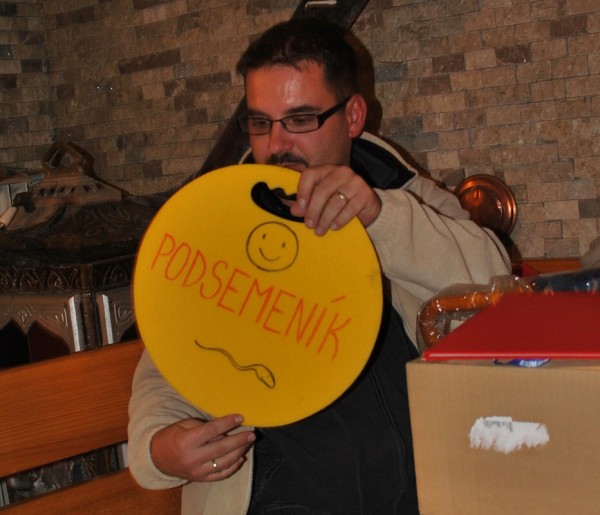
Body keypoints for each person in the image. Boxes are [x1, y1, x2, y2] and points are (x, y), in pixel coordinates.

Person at [128, 18, 511, 514]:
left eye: (301, 119)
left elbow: (495, 284)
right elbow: (165, 366)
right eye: (260, 122)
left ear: (353, 116)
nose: (276, 145)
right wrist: (160, 450)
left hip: (429, 492)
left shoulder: (400, 194)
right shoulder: (217, 224)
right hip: (281, 499)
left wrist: (380, 216)